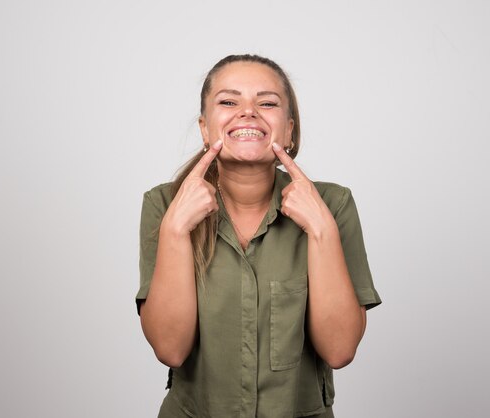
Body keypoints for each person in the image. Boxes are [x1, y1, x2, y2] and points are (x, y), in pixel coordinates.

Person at [136, 54, 381, 418]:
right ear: (205, 129)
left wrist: (321, 230)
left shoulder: (334, 203)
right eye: (229, 101)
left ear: (289, 130)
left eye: (266, 103)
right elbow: (170, 350)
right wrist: (174, 231)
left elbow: (340, 350)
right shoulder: (163, 204)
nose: (247, 112)